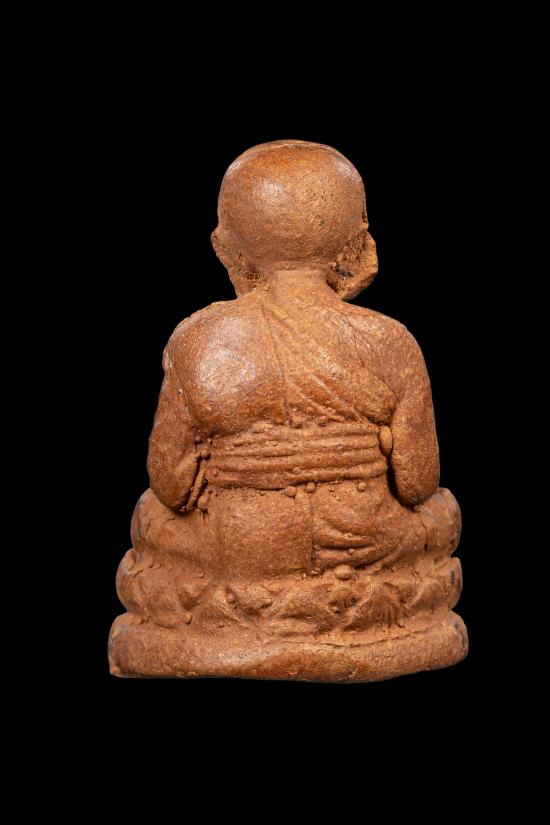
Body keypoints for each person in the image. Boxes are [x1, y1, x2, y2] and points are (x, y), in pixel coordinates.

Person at [110, 140, 467, 680]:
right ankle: (360, 622)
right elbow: (417, 483)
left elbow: (171, 485)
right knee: (439, 515)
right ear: (358, 240)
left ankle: (230, 623)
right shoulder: (390, 340)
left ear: (226, 244)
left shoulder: (199, 340)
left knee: (153, 518)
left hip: (240, 543)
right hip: (362, 537)